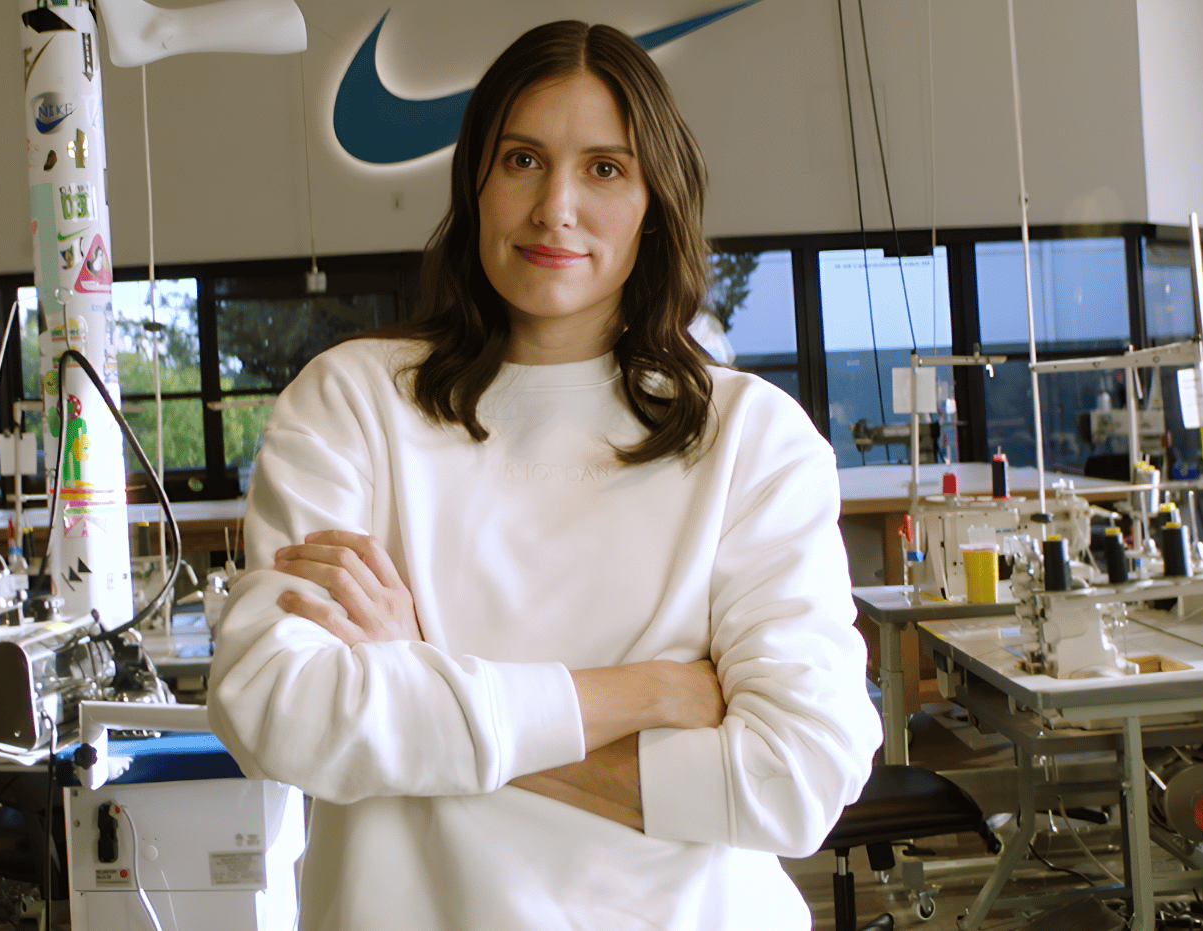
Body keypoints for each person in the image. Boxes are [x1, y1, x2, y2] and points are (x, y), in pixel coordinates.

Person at [208, 19, 881, 930]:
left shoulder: (749, 437)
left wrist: (418, 674)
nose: (555, 205)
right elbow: (274, 713)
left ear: (654, 202)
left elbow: (795, 782)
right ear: (477, 183)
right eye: (523, 159)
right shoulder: (353, 407)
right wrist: (647, 693)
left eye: (605, 168)